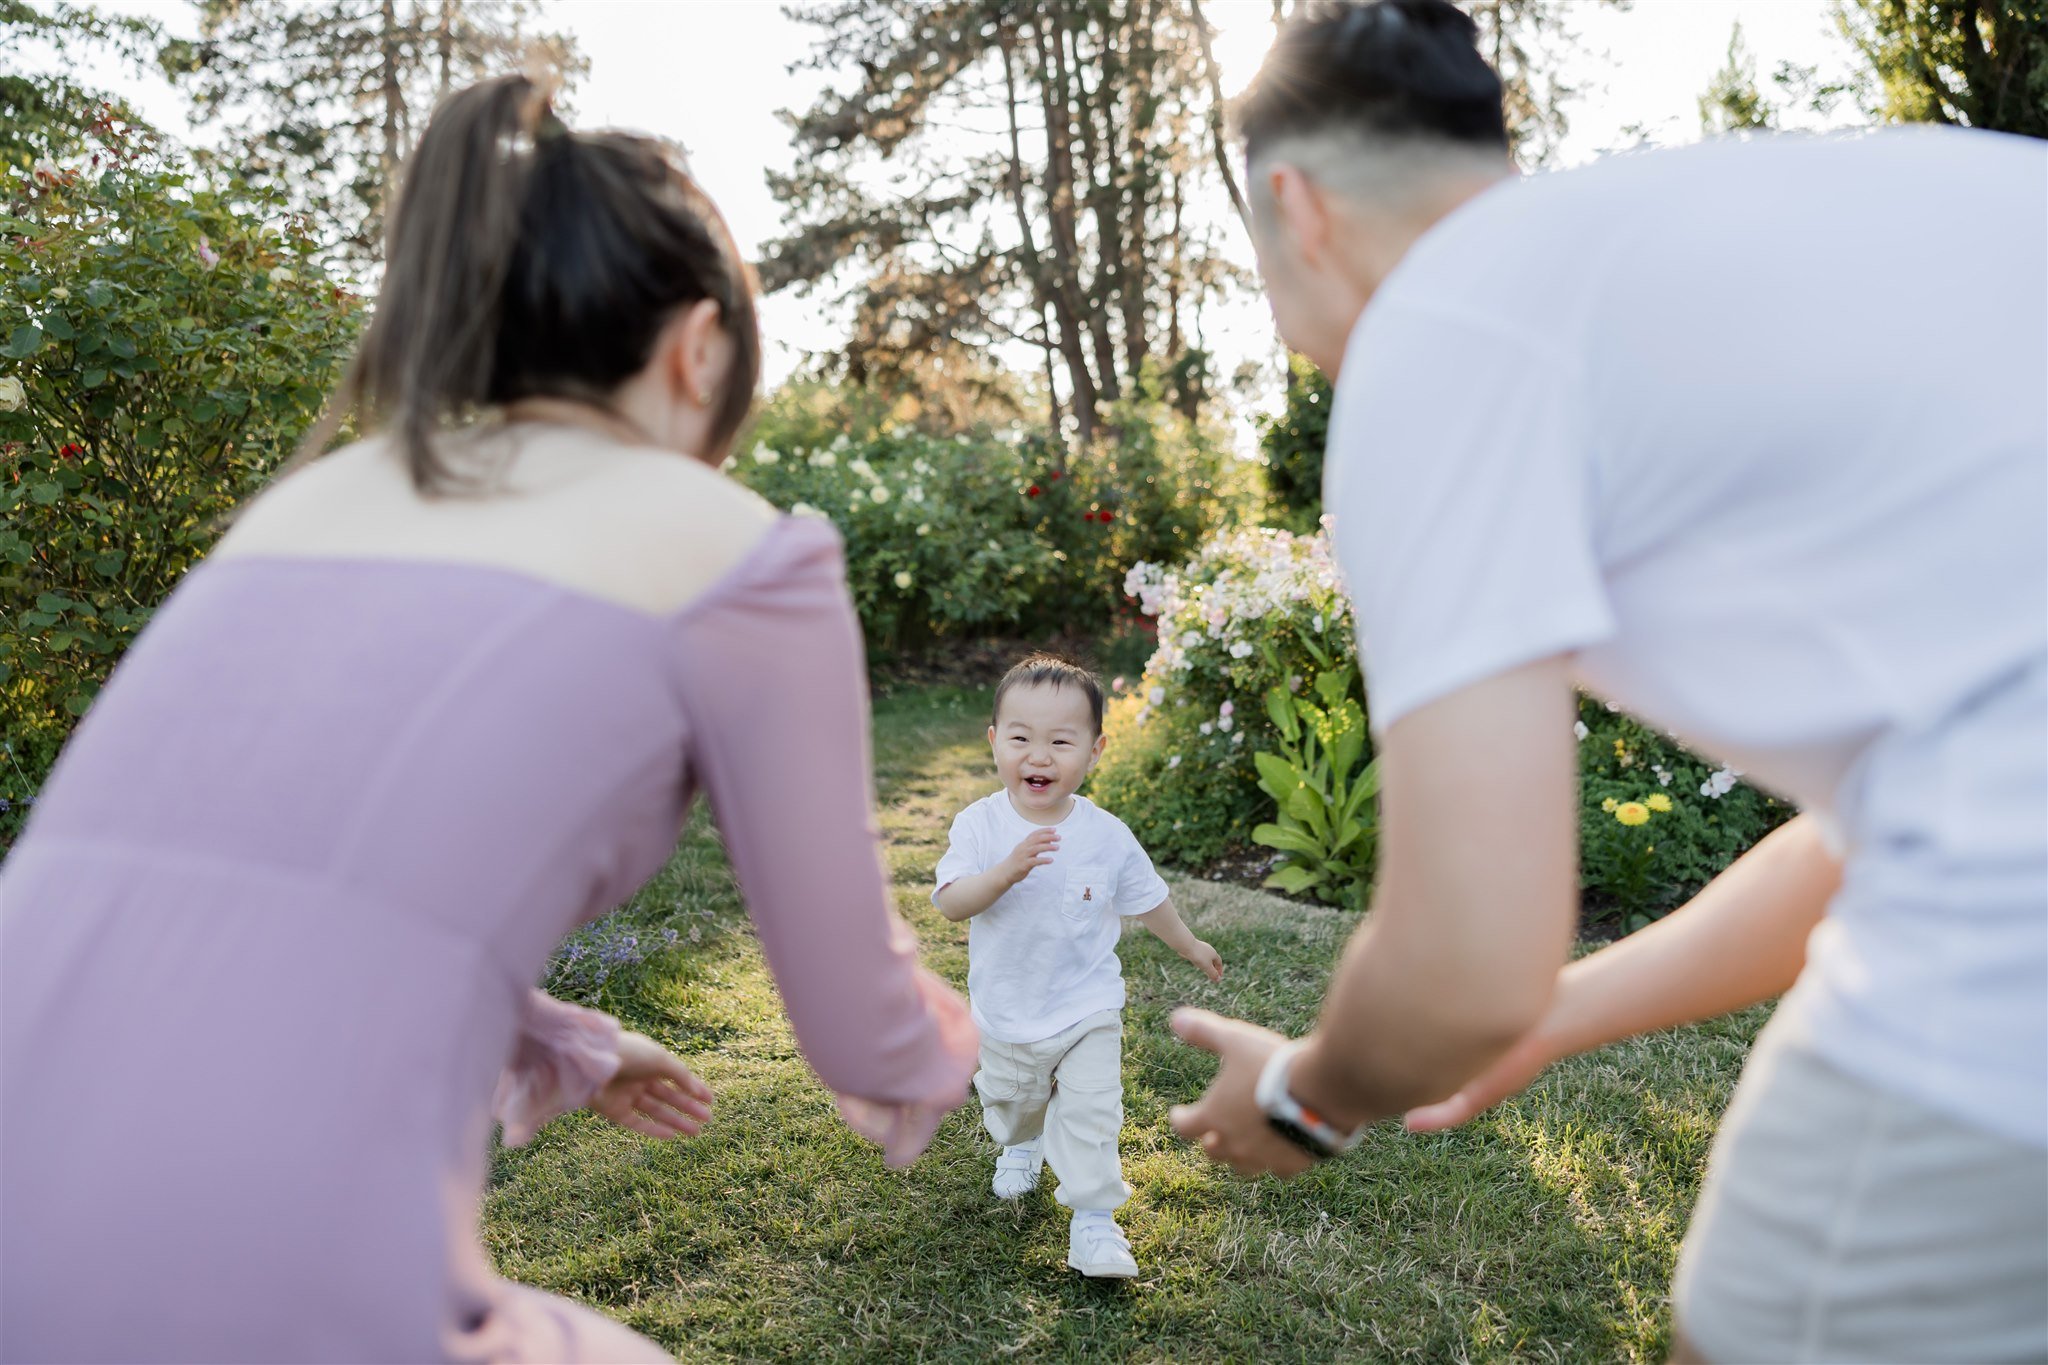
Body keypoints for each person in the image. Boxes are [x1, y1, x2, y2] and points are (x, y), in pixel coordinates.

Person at [0, 74, 976, 1363]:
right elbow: (859, 1021)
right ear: (698, 350)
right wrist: (938, 1055)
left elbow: (243, 884)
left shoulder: (322, 502)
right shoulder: (739, 552)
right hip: (263, 1270)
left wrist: (567, 1041)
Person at [1164, 2, 2047, 1361]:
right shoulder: (1829, 219)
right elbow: (1890, 816)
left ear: (1297, 205)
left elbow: (1467, 956)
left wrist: (1303, 1094)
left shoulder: (1442, 326)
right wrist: (1560, 1015)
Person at [934, 655, 1223, 1278]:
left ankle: (1095, 1224)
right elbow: (953, 904)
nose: (1039, 756)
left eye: (1061, 742)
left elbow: (1149, 899)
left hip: (1087, 1006)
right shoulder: (980, 826)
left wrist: (1191, 945)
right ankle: (1022, 1141)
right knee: (1013, 1104)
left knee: (1093, 1113)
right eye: (1020, 738)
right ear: (994, 742)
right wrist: (1005, 871)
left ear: (1094, 751)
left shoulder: (1106, 835)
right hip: (1008, 1013)